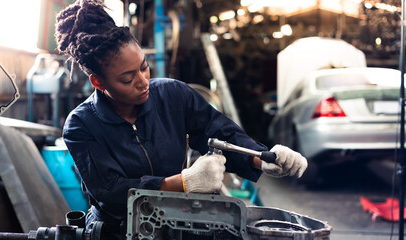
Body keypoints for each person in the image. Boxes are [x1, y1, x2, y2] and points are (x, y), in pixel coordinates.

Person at [55, 0, 307, 239]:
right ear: (98, 82)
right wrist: (183, 182)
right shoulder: (81, 125)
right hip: (116, 231)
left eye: (144, 66)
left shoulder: (172, 94)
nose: (143, 81)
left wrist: (261, 158)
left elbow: (220, 133)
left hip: (174, 223)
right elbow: (111, 192)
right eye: (127, 78)